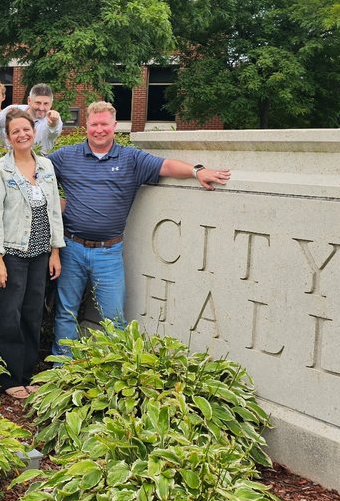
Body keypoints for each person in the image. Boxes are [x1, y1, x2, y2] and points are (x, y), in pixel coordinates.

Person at [49, 101, 231, 353]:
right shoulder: (65, 157)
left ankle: (114, 367)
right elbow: (35, 173)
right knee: (65, 312)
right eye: (94, 124)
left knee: (114, 318)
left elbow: (166, 166)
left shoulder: (131, 158)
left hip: (108, 253)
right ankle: (62, 364)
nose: (99, 130)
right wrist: (56, 203)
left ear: (115, 126)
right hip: (71, 248)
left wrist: (196, 171)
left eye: (104, 124)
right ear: (86, 126)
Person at [0, 109, 64, 399]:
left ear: (34, 131)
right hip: (12, 253)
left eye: (26, 129)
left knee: (32, 314)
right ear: (8, 137)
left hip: (41, 253)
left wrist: (55, 251)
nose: (22, 135)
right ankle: (7, 378)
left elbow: (54, 211)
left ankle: (27, 374)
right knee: (8, 315)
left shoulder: (46, 166)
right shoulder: (0, 169)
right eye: (15, 131)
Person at [0, 83, 62, 153]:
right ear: (29, 100)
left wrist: (53, 123)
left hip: (40, 159)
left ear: (51, 103)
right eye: (38, 103)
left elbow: (53, 132)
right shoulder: (13, 111)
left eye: (46, 104)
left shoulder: (54, 120)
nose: (41, 108)